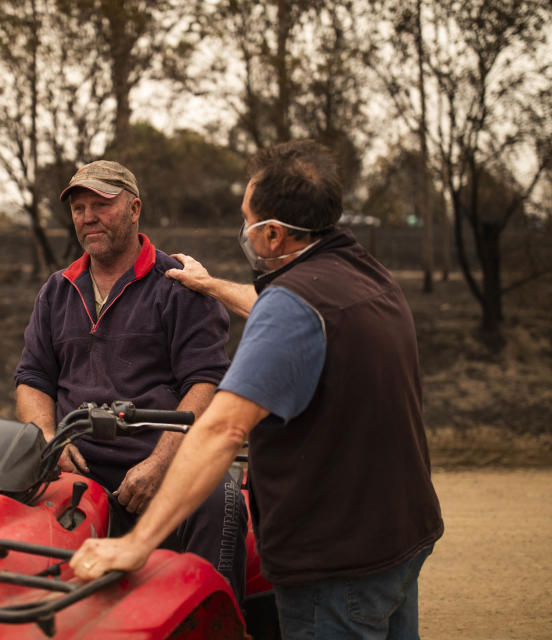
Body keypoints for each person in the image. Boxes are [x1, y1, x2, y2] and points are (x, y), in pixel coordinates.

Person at [70, 141, 444, 639]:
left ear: (270, 234)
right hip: (402, 535)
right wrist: (214, 285)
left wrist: (138, 543)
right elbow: (286, 308)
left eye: (246, 218)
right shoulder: (362, 272)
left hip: (334, 560)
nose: (242, 229)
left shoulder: (293, 306)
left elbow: (223, 429)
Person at [14, 159, 248, 602]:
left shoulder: (179, 286)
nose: (88, 217)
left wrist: (160, 465)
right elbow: (32, 377)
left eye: (101, 204)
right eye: (79, 208)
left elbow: (205, 383)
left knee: (220, 498)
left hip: (163, 458)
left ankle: (214, 618)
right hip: (77, 463)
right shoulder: (57, 289)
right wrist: (48, 439)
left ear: (135, 207)